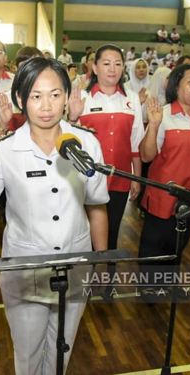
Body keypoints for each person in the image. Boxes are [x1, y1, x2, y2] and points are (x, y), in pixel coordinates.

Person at [0, 57, 108, 374]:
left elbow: (96, 205)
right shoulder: (3, 151)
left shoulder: (86, 143)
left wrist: (101, 261)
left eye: (55, 94)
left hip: (75, 266)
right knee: (28, 355)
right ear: (19, 100)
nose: (46, 106)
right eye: (36, 96)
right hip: (25, 271)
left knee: (61, 353)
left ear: (67, 97)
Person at [67, 44, 144, 301]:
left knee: (111, 231)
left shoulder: (131, 100)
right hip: (86, 180)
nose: (113, 68)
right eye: (107, 63)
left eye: (118, 63)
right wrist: (74, 118)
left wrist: (137, 178)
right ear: (95, 67)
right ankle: (82, 282)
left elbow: (135, 144)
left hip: (121, 178)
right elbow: (68, 141)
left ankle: (108, 282)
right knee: (83, 231)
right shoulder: (82, 99)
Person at [138, 64, 190, 298]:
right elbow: (146, 156)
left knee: (178, 243)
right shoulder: (163, 115)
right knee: (154, 244)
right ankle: (148, 286)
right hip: (164, 194)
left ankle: (167, 282)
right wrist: (153, 126)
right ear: (177, 86)